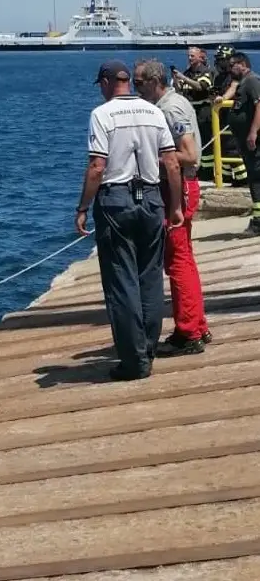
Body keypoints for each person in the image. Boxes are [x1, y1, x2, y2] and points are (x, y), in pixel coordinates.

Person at [76, 60, 184, 381]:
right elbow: (172, 163)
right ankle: (147, 349)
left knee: (121, 281)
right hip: (150, 198)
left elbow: (97, 166)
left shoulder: (102, 114)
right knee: (150, 277)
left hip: (117, 199)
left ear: (108, 82)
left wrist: (82, 206)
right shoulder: (154, 112)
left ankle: (134, 361)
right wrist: (175, 206)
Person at [133, 59, 211, 356]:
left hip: (177, 189)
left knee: (177, 261)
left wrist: (154, 156)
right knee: (184, 259)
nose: (136, 89)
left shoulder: (169, 108)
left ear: (154, 81)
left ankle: (188, 331)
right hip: (177, 187)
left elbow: (190, 155)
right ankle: (197, 324)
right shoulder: (174, 102)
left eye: (139, 83)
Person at [227, 52, 260, 234]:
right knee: (254, 177)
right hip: (245, 140)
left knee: (256, 178)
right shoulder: (242, 83)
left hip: (254, 141)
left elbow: (259, 105)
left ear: (243, 65)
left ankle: (258, 220)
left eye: (233, 65)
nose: (230, 68)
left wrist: (253, 132)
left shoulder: (252, 81)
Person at [171, 47, 214, 180]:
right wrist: (177, 81)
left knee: (205, 141)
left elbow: (201, 86)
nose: (190, 59)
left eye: (192, 56)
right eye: (188, 56)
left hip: (203, 111)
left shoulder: (206, 72)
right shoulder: (187, 72)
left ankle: (207, 172)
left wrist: (183, 77)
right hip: (189, 111)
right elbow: (181, 91)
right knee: (192, 142)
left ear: (200, 57)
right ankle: (196, 168)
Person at [211, 46, 247, 186]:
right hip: (221, 117)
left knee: (232, 148)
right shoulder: (219, 77)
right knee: (223, 148)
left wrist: (223, 98)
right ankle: (224, 176)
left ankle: (242, 178)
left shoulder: (236, 75)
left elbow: (233, 87)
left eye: (222, 60)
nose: (219, 63)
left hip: (233, 116)